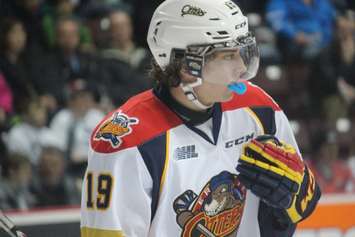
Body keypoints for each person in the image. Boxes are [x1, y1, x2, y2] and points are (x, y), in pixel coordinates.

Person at [80, 0, 321, 236]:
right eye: (227, 56)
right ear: (187, 65)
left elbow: (287, 212)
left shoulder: (258, 107)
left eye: (242, 52)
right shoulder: (126, 141)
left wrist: (287, 207)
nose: (241, 67)